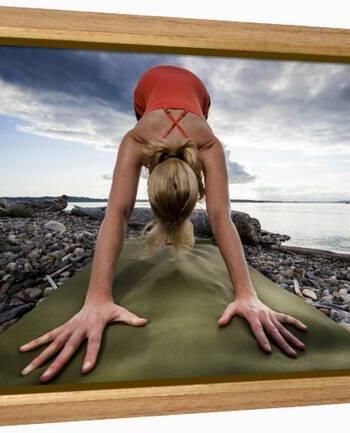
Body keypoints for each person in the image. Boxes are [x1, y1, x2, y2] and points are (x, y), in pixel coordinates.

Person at [18, 64, 308, 383]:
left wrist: (246, 294)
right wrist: (96, 299)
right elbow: (214, 215)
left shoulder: (202, 143)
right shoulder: (145, 138)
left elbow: (125, 212)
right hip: (147, 93)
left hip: (198, 96)